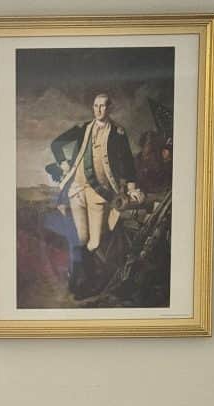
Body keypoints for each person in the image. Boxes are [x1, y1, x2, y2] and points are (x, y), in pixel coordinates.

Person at [48, 93, 144, 297]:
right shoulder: (83, 129)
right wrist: (64, 165)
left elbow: (127, 162)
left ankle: (85, 280)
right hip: (76, 190)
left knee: (96, 242)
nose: (99, 110)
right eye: (96, 106)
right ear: (93, 108)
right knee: (81, 238)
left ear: (110, 109)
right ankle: (82, 283)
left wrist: (132, 188)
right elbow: (56, 144)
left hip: (99, 193)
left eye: (103, 106)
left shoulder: (118, 133)